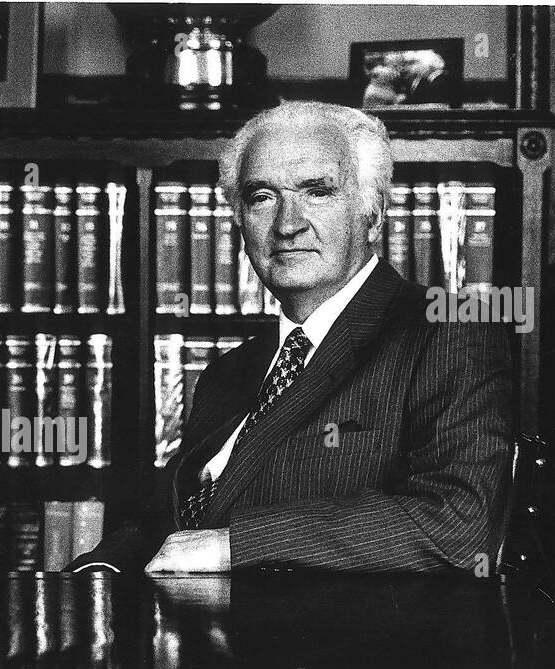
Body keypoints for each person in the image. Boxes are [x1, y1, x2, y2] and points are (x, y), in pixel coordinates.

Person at [69, 101, 512, 575]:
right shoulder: (229, 370)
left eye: (317, 192)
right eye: (262, 197)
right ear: (238, 222)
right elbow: (170, 521)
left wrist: (232, 547)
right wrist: (99, 572)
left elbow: (458, 524)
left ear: (373, 213)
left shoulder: (447, 332)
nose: (288, 224)